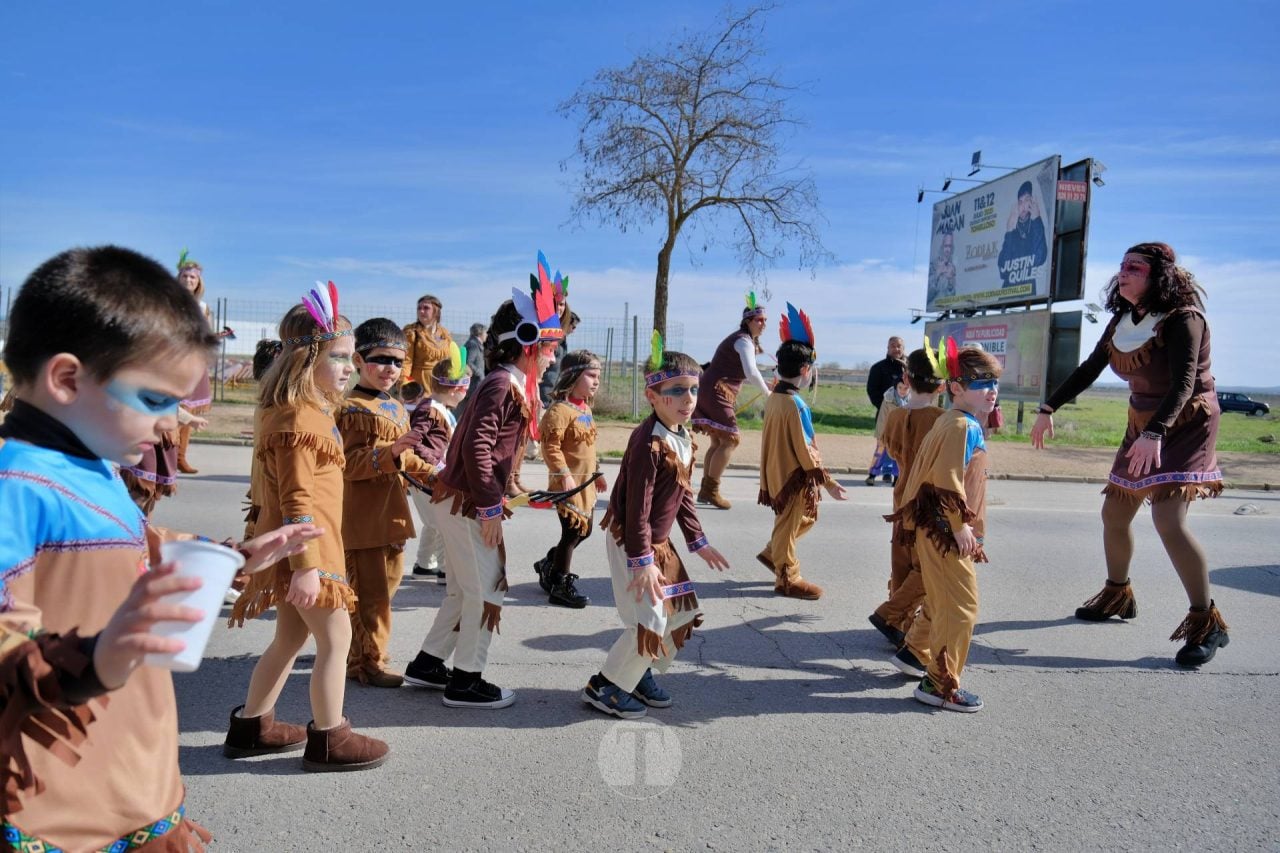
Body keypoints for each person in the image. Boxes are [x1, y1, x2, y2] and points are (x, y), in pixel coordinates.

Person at [0, 245, 320, 850]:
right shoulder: (16, 483)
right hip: (59, 813)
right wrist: (93, 659)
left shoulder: (90, 467)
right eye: (154, 400)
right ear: (67, 378)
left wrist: (233, 555)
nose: (171, 423)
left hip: (135, 781)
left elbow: (130, 549)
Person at [1031, 242, 1228, 667]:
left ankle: (1205, 622)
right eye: (1121, 266)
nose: (1123, 273)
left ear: (1159, 277)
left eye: (1134, 268)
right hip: (1143, 424)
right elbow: (1089, 368)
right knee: (1115, 513)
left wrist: (1155, 432)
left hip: (1186, 422)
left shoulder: (1183, 320)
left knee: (1167, 520)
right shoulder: (1123, 320)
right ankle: (1117, 596)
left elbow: (1184, 383)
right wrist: (1048, 408)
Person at [225, 290, 390, 771]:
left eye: (350, 357)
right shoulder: (299, 417)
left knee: (290, 640)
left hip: (312, 550)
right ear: (305, 358)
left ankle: (252, 726)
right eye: (338, 357)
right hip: (310, 554)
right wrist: (305, 569)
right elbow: (297, 499)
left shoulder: (313, 412)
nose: (349, 367)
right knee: (337, 641)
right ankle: (331, 739)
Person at [402, 263, 562, 708]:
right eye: (548, 346)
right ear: (527, 343)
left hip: (463, 500)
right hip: (468, 505)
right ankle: (466, 680)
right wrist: (491, 507)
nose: (553, 355)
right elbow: (476, 447)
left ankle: (429, 664)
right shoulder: (500, 384)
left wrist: (510, 486)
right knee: (486, 591)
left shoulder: (507, 384)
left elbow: (493, 451)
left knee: (462, 589)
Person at [582, 335, 730, 719]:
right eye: (677, 390)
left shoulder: (681, 437)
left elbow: (682, 495)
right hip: (635, 540)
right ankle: (606, 686)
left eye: (694, 390)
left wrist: (698, 541)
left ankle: (638, 671)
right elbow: (638, 508)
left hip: (656, 544)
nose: (688, 399)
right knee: (649, 619)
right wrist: (641, 560)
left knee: (677, 611)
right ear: (652, 394)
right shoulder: (650, 442)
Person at [886, 341, 1001, 712]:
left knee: (940, 603)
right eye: (982, 382)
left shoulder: (953, 421)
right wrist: (959, 527)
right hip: (946, 533)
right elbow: (946, 480)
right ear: (955, 387)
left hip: (937, 531)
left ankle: (914, 654)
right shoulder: (959, 426)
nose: (992, 390)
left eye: (994, 382)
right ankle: (939, 685)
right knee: (961, 608)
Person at [338, 318, 434, 688]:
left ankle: (358, 649)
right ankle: (366, 663)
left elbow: (407, 459)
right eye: (381, 360)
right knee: (370, 596)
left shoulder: (396, 408)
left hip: (391, 514)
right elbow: (350, 463)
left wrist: (437, 478)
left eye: (397, 362)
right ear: (359, 360)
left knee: (387, 589)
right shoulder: (351, 408)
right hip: (362, 518)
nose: (390, 369)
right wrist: (390, 453)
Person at [756, 304, 847, 601]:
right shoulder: (796, 404)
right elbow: (807, 448)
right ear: (805, 370)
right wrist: (828, 482)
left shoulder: (775, 398)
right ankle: (787, 578)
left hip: (777, 472)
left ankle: (775, 552)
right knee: (790, 522)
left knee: (800, 521)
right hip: (792, 476)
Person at [867, 346, 947, 677]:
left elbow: (888, 445)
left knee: (901, 558)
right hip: (928, 500)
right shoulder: (943, 422)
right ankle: (891, 612)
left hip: (901, 496)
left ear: (905, 378)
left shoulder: (897, 416)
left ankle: (898, 621)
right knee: (927, 566)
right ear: (943, 386)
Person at [534, 350, 608, 609]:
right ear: (572, 376)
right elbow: (551, 447)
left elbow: (589, 446)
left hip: (585, 484)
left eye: (598, 376)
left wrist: (597, 473)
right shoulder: (559, 411)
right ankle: (560, 585)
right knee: (572, 532)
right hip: (567, 485)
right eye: (590, 375)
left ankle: (549, 564)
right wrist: (563, 474)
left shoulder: (585, 408)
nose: (596, 381)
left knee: (583, 533)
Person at [691, 292, 771, 509]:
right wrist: (768, 394)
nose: (763, 324)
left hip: (711, 389)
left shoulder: (745, 341)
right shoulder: (743, 341)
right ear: (748, 321)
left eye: (765, 320)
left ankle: (706, 490)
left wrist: (769, 382)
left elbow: (753, 370)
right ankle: (711, 490)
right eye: (759, 320)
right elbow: (751, 371)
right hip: (717, 391)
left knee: (718, 440)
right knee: (731, 439)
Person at [408, 346, 471, 581]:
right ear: (456, 389)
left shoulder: (438, 408)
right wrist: (438, 466)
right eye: (467, 388)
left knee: (434, 522)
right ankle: (448, 570)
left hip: (430, 476)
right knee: (449, 522)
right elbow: (414, 442)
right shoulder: (429, 410)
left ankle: (425, 564)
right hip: (428, 477)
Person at [174, 250, 215, 474]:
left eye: (193, 277)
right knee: (174, 409)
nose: (189, 280)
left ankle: (181, 457)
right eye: (185, 276)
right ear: (178, 278)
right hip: (175, 360)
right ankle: (169, 455)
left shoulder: (203, 307)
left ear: (199, 281)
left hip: (195, 361)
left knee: (188, 411)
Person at [864, 336, 906, 485]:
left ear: (903, 348)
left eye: (899, 346)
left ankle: (895, 476)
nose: (896, 349)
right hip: (885, 414)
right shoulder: (878, 368)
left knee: (900, 448)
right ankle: (873, 474)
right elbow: (872, 390)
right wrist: (884, 407)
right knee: (882, 447)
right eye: (893, 346)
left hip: (904, 417)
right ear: (887, 348)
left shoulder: (909, 369)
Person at [998, 181, 1048, 290]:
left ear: (1032, 201)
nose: (1023, 206)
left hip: (1027, 293)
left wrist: (1037, 219)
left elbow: (1040, 258)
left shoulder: (1036, 227)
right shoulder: (1012, 233)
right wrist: (1009, 230)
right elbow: (1002, 270)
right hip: (1006, 294)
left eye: (1027, 200)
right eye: (1020, 202)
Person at [402, 293, 454, 390]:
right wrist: (405, 386)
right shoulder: (412, 332)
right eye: (419, 308)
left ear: (436, 311)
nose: (421, 311)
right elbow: (406, 362)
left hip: (442, 386)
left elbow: (452, 359)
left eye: (426, 308)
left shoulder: (445, 334)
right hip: (419, 387)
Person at [455, 322, 487, 418]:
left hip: (472, 384)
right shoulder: (473, 345)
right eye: (485, 332)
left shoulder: (473, 343)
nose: (487, 335)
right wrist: (480, 374)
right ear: (480, 333)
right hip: (473, 384)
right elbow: (469, 362)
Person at [928, 230, 957, 304]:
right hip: (934, 309)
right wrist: (937, 275)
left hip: (943, 309)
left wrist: (950, 282)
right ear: (942, 247)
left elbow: (951, 301)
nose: (947, 250)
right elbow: (928, 297)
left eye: (950, 246)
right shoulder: (933, 265)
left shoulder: (952, 268)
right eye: (946, 246)